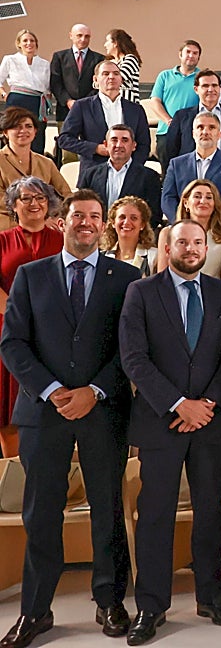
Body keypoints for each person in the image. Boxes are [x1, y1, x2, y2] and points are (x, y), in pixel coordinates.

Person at [0, 190, 140, 648]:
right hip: (44, 412)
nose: (86, 223)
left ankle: (110, 601)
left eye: (95, 217)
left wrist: (94, 391)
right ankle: (35, 612)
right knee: (41, 513)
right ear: (62, 222)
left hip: (103, 410)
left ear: (105, 225)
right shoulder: (29, 275)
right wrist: (55, 391)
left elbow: (132, 349)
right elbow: (13, 344)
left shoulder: (127, 278)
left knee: (108, 508)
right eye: (77, 215)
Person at [117, 221, 221, 645]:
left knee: (210, 510)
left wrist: (206, 404)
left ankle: (211, 595)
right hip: (160, 421)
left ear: (208, 248)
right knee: (155, 514)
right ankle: (151, 606)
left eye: (198, 242)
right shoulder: (142, 291)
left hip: (209, 421)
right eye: (182, 242)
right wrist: (177, 404)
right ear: (167, 247)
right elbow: (134, 358)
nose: (191, 248)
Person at [0, 178, 63, 457]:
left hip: (53, 333)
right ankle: (14, 480)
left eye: (40, 197)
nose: (34, 203)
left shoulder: (64, 241)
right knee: (8, 407)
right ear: (14, 205)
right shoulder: (1, 241)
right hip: (7, 330)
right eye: (26, 198)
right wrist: (20, 317)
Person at [57, 60, 151, 170]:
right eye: (105, 74)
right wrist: (95, 148)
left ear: (121, 79)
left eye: (116, 73)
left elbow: (144, 144)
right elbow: (64, 139)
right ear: (95, 79)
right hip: (93, 172)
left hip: (129, 174)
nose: (111, 77)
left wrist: (132, 166)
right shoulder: (82, 106)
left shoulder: (135, 109)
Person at [161, 112, 221, 225]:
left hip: (219, 228)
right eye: (200, 127)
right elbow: (167, 199)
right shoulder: (176, 164)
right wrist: (182, 222)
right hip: (182, 226)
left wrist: (205, 221)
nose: (205, 132)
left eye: (212, 127)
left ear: (219, 134)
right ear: (193, 133)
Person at [78, 124, 163, 228]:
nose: (119, 145)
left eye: (125, 140)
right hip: (96, 235)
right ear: (105, 144)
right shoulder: (89, 174)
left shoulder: (149, 176)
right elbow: (81, 208)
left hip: (133, 236)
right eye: (114, 140)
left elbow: (154, 214)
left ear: (134, 146)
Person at [0, 107, 71, 231]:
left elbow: (67, 195)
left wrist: (57, 217)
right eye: (17, 127)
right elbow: (3, 202)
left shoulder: (46, 162)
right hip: (8, 223)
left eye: (28, 126)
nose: (23, 131)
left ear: (35, 131)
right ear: (5, 132)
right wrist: (37, 219)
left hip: (43, 221)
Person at [161, 68, 221, 163]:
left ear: (220, 88)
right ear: (196, 89)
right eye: (205, 86)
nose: (211, 89)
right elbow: (171, 149)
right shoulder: (181, 116)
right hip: (190, 172)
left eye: (214, 85)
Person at [147, 41, 201, 164]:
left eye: (195, 53)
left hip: (192, 133)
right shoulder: (164, 76)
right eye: (188, 52)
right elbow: (155, 101)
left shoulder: (201, 78)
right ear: (180, 54)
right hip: (166, 132)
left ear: (198, 57)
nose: (191, 55)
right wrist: (169, 121)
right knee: (168, 172)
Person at [163, 179, 221, 279]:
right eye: (197, 196)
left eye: (209, 197)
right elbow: (162, 276)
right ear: (186, 203)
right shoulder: (167, 233)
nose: (203, 201)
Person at [0, 30, 52, 156]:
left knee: (37, 139)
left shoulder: (44, 64)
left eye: (32, 40)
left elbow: (48, 87)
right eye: (25, 40)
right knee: (15, 133)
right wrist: (3, 94)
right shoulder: (10, 59)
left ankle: (35, 171)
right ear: (19, 44)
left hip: (36, 103)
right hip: (16, 101)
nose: (29, 43)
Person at [48, 24, 103, 124]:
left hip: (90, 109)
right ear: (71, 36)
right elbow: (55, 82)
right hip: (65, 111)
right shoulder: (59, 57)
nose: (83, 39)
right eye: (79, 35)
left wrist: (85, 102)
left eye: (87, 36)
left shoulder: (99, 59)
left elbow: (99, 84)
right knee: (65, 139)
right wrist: (68, 101)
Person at [99, 196, 158, 277]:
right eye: (122, 217)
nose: (126, 222)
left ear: (142, 225)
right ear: (113, 223)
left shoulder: (154, 256)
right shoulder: (101, 257)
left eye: (134, 218)